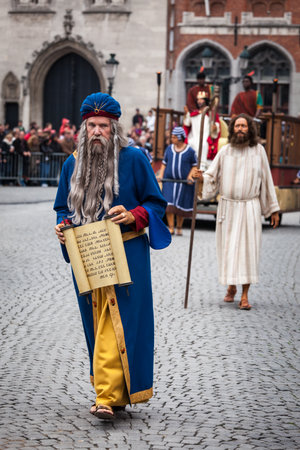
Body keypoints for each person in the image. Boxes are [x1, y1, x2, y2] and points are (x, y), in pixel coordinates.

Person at [54, 92, 170, 420]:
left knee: (123, 319)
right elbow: (63, 207)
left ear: (114, 128)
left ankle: (106, 396)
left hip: (127, 248)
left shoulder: (134, 159)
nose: (96, 131)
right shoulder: (71, 163)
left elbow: (155, 204)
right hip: (88, 251)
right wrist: (62, 227)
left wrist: (134, 215)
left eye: (103, 126)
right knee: (97, 320)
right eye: (91, 125)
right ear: (83, 127)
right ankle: (111, 392)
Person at [196, 114, 280, 310]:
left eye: (244, 126)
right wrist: (201, 178)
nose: (240, 129)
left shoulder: (259, 151)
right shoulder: (225, 151)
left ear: (250, 129)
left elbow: (267, 181)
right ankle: (231, 286)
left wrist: (273, 210)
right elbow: (212, 175)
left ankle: (244, 295)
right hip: (228, 208)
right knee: (229, 249)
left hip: (250, 207)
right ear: (232, 129)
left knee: (248, 250)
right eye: (237, 126)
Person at [157, 127, 197, 236]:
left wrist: (190, 177)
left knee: (180, 207)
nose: (172, 139)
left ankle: (179, 227)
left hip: (183, 183)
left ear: (180, 138)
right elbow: (164, 163)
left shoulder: (190, 151)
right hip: (169, 182)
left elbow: (194, 166)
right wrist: (160, 175)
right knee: (169, 205)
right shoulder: (169, 149)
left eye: (174, 137)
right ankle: (171, 227)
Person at [184, 90, 220, 171]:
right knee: (190, 143)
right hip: (193, 136)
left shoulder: (211, 114)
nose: (199, 101)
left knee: (204, 145)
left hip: (205, 137)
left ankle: (202, 168)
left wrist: (215, 127)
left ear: (206, 100)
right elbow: (187, 124)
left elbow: (216, 127)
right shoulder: (193, 113)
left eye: (201, 99)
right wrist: (186, 114)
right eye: (198, 99)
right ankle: (191, 167)